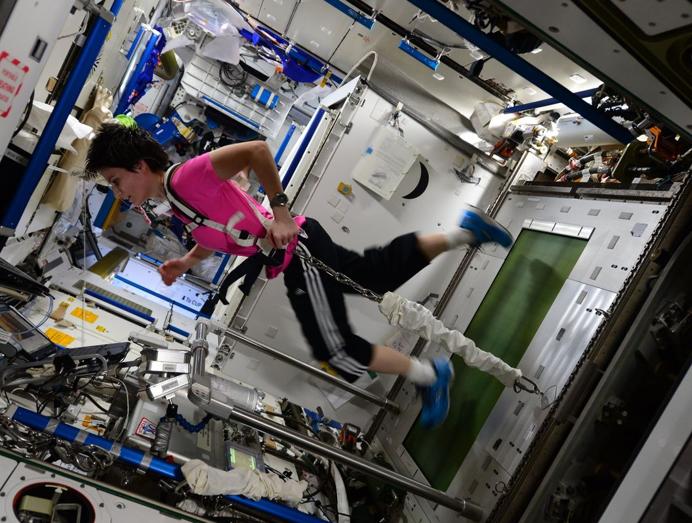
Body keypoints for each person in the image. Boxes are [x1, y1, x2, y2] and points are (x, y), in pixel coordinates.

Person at [84, 122, 514, 428]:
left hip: (297, 250)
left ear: (140, 167)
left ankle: (428, 375)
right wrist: (186, 262)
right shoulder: (177, 202)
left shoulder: (185, 178)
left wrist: (282, 211)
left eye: (117, 181)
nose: (119, 194)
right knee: (375, 272)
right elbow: (219, 232)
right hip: (296, 249)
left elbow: (257, 150)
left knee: (337, 349)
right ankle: (465, 233)